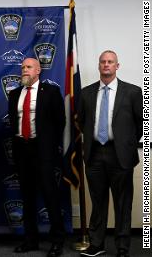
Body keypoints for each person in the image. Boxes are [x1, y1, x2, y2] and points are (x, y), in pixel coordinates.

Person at [78, 50, 142, 257]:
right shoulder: (86, 93)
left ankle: (122, 247)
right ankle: (97, 244)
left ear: (117, 66)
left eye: (110, 62)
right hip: (95, 153)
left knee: (122, 203)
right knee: (98, 202)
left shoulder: (132, 92)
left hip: (120, 155)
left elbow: (139, 124)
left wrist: (126, 143)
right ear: (99, 66)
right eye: (103, 62)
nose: (106, 65)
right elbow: (82, 122)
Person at [8, 58, 65, 257]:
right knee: (27, 198)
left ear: (38, 70)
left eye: (29, 67)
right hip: (22, 151)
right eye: (23, 67)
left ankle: (57, 240)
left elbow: (60, 122)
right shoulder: (14, 94)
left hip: (43, 151)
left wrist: (50, 147)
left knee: (50, 195)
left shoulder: (50, 92)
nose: (24, 70)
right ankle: (30, 240)